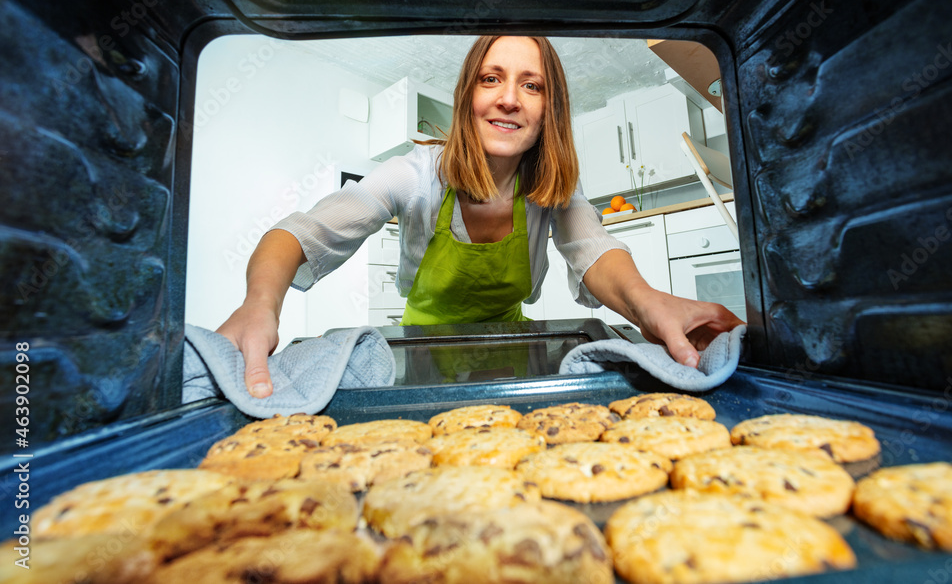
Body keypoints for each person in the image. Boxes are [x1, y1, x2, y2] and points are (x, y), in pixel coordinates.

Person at [218, 35, 743, 398]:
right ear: (468, 95)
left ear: (548, 110)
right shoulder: (415, 175)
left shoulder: (551, 186)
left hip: (513, 346)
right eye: (492, 79)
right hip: (419, 348)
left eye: (531, 85)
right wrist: (260, 304)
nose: (510, 99)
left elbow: (594, 251)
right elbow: (300, 233)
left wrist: (649, 305)